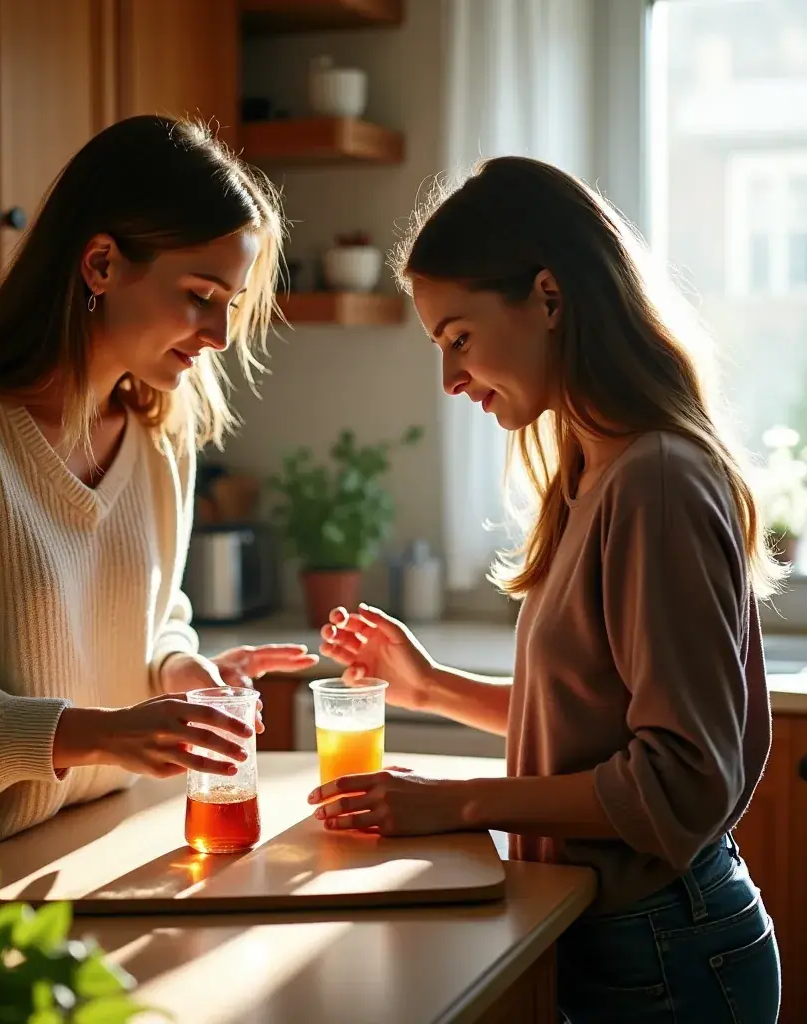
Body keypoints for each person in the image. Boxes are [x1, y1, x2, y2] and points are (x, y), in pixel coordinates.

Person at [309, 157, 781, 1023]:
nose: (450, 381)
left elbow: (677, 781)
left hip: (669, 950)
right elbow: (593, 722)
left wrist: (453, 803)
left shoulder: (658, 480)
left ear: (549, 298)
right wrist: (431, 688)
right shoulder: (592, 470)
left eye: (459, 338)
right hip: (620, 936)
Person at [0, 115, 317, 875]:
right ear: (100, 263)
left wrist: (182, 673)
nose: (221, 333)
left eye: (232, 300)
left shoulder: (160, 436)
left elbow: (152, 624)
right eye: (199, 294)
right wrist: (102, 734)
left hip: (92, 855)